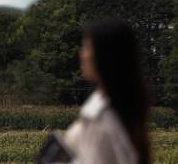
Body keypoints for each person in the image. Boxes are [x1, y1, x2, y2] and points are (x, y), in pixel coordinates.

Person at [61, 19, 151, 164]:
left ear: (104, 56)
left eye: (87, 47)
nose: (82, 54)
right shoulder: (124, 108)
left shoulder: (100, 122)